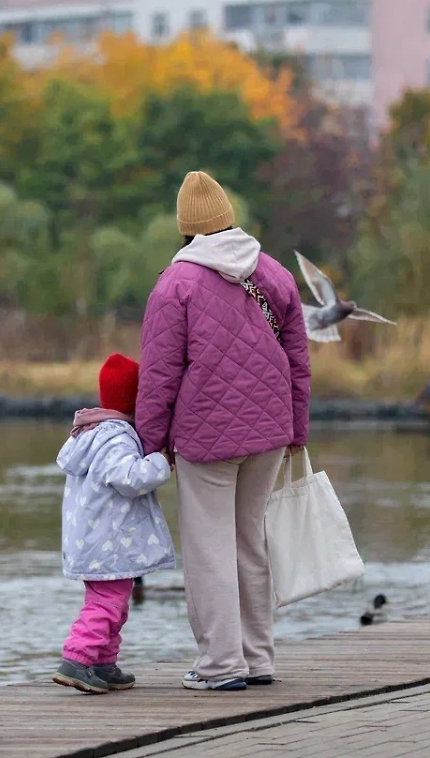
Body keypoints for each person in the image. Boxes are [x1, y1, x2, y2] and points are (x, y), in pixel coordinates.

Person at [137, 170, 311, 691]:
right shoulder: (274, 273)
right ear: (228, 218)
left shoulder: (176, 284)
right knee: (250, 543)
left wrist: (150, 446)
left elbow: (159, 375)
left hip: (206, 438)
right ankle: (258, 660)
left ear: (186, 229)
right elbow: (298, 359)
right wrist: (297, 430)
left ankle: (219, 665)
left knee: (209, 548)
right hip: (271, 430)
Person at [52, 353, 176, 695]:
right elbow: (129, 478)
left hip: (95, 542)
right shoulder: (116, 437)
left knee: (114, 603)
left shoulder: (92, 433)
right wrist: (160, 462)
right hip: (109, 543)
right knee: (106, 604)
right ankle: (76, 659)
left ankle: (103, 663)